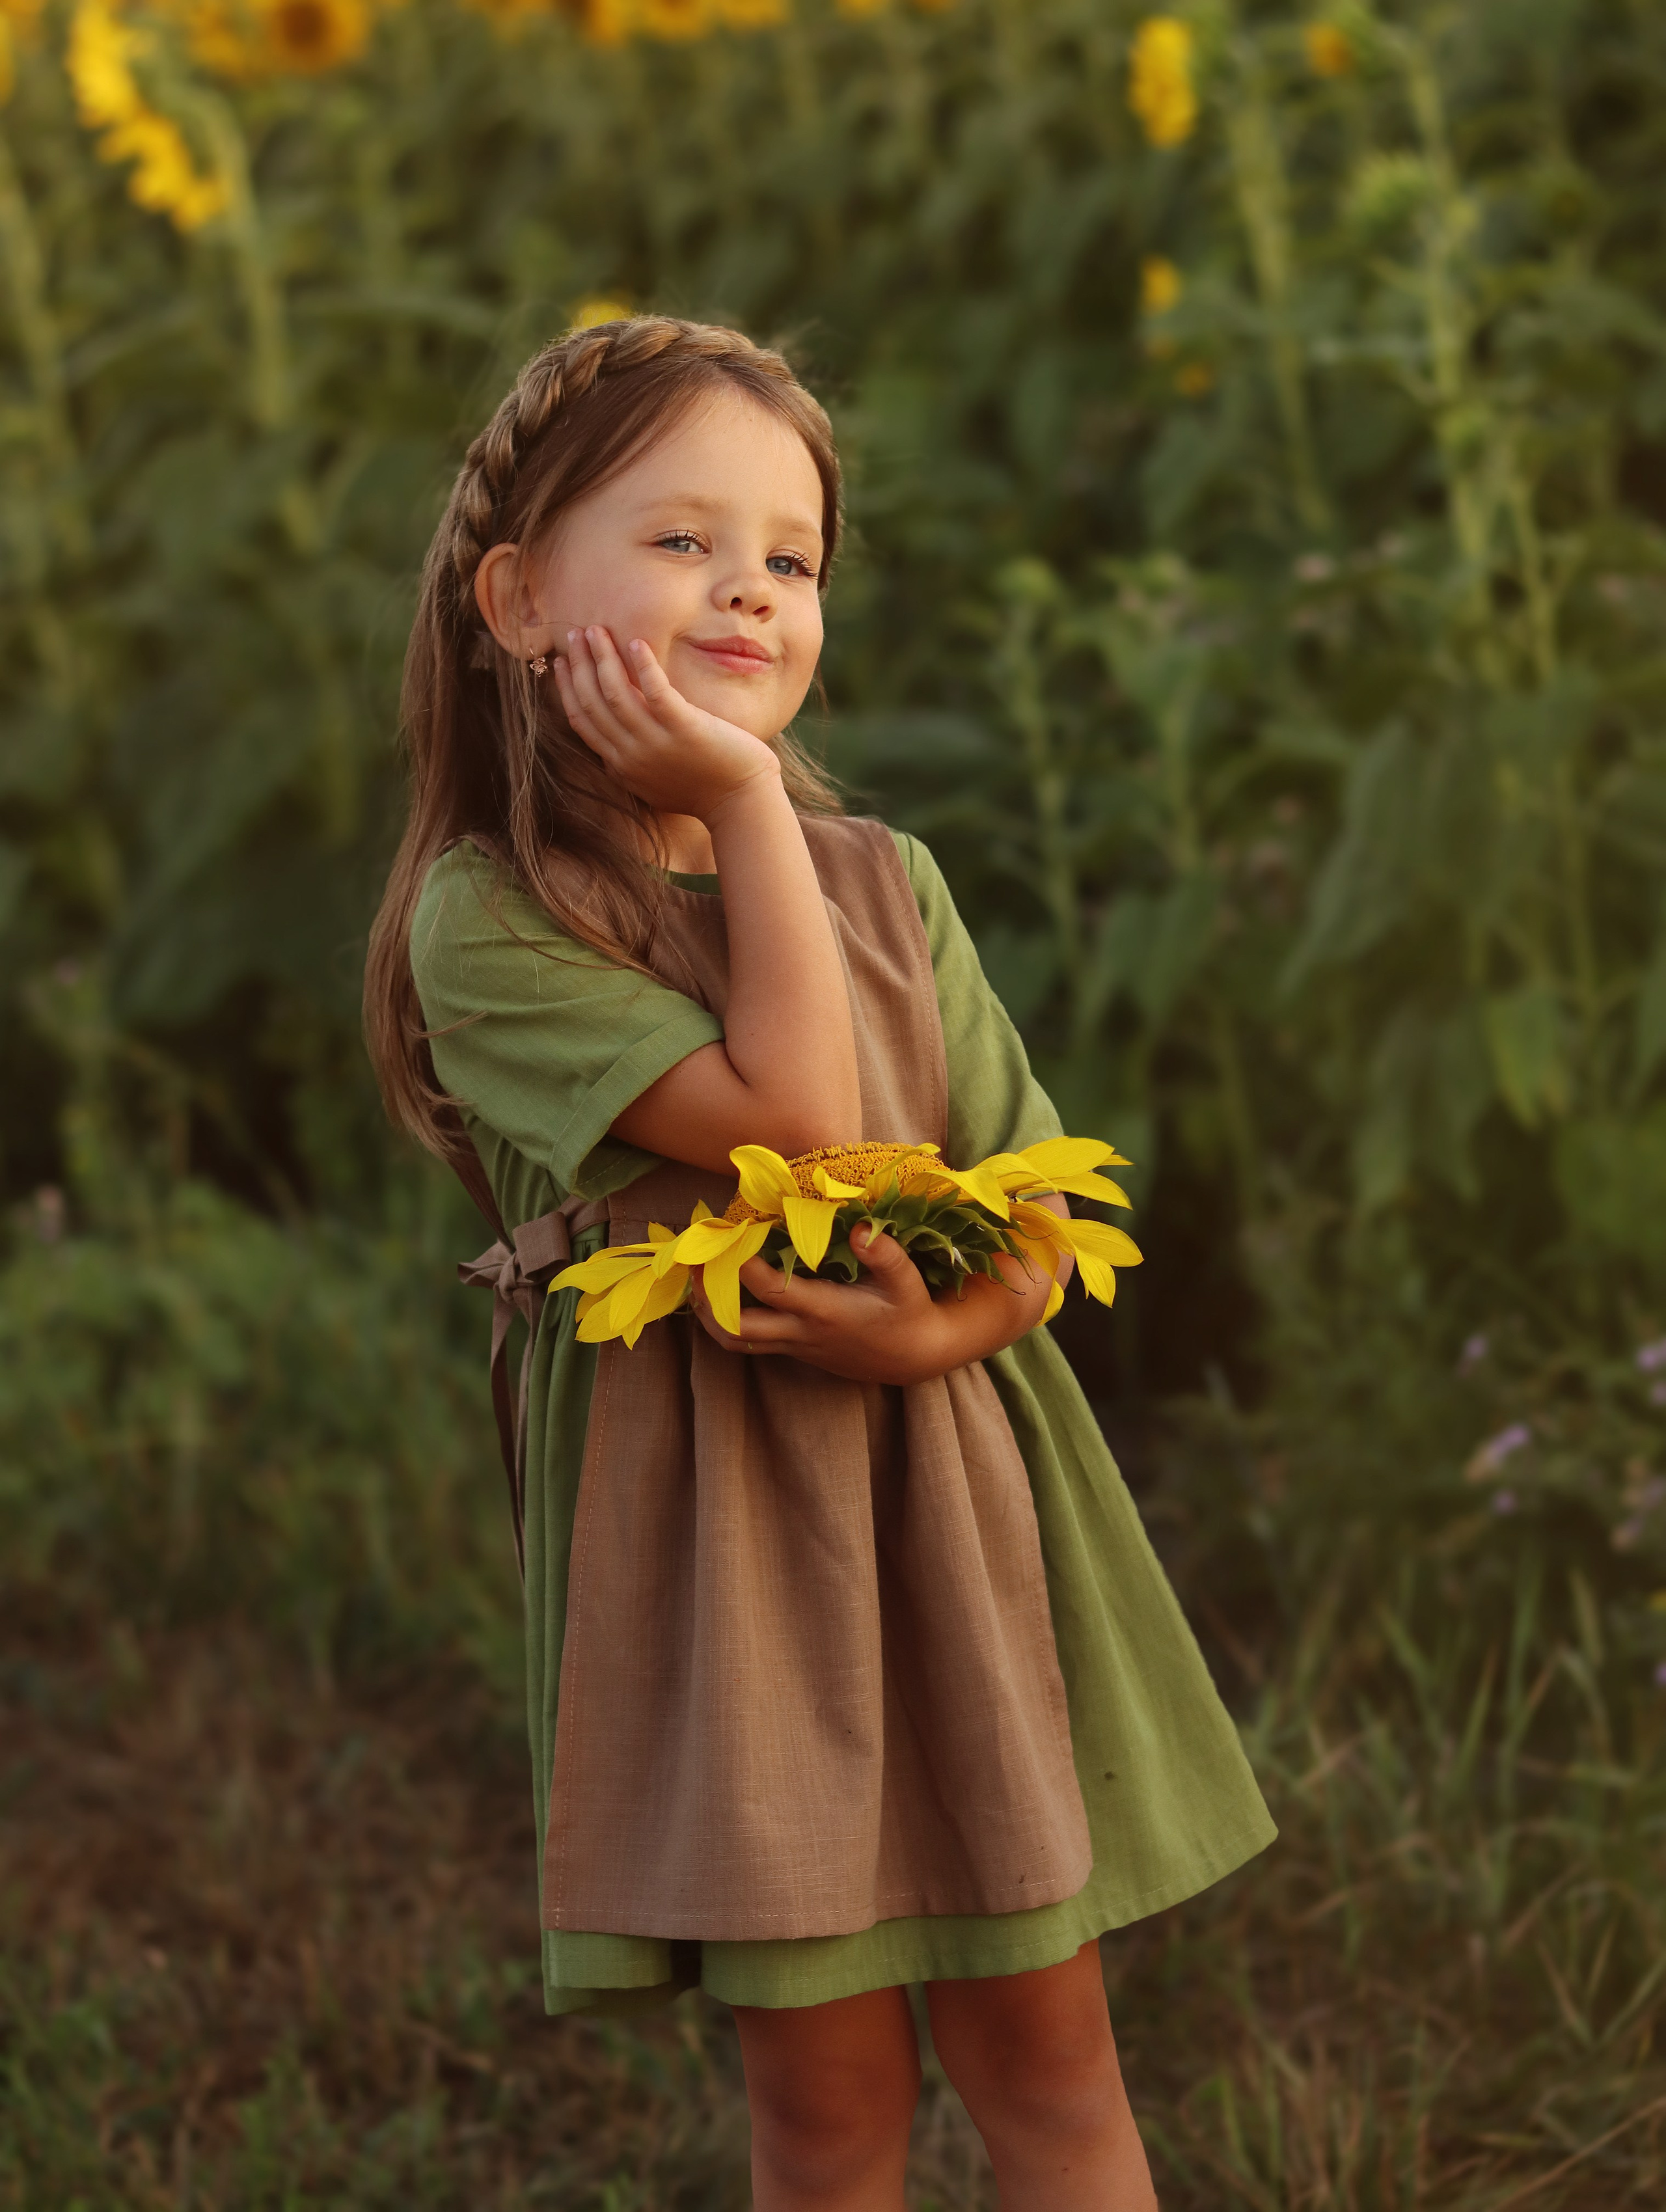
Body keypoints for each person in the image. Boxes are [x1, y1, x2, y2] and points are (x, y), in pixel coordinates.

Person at [364, 315, 1274, 2211]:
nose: (749, 592)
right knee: (836, 2109)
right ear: (520, 600)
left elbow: (1037, 1205)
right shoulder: (498, 917)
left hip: (957, 1501)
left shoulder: (890, 882)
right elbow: (801, 1110)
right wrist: (753, 800)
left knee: (1054, 2061)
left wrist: (946, 1323)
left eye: (791, 559)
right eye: (683, 541)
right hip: (730, 1557)